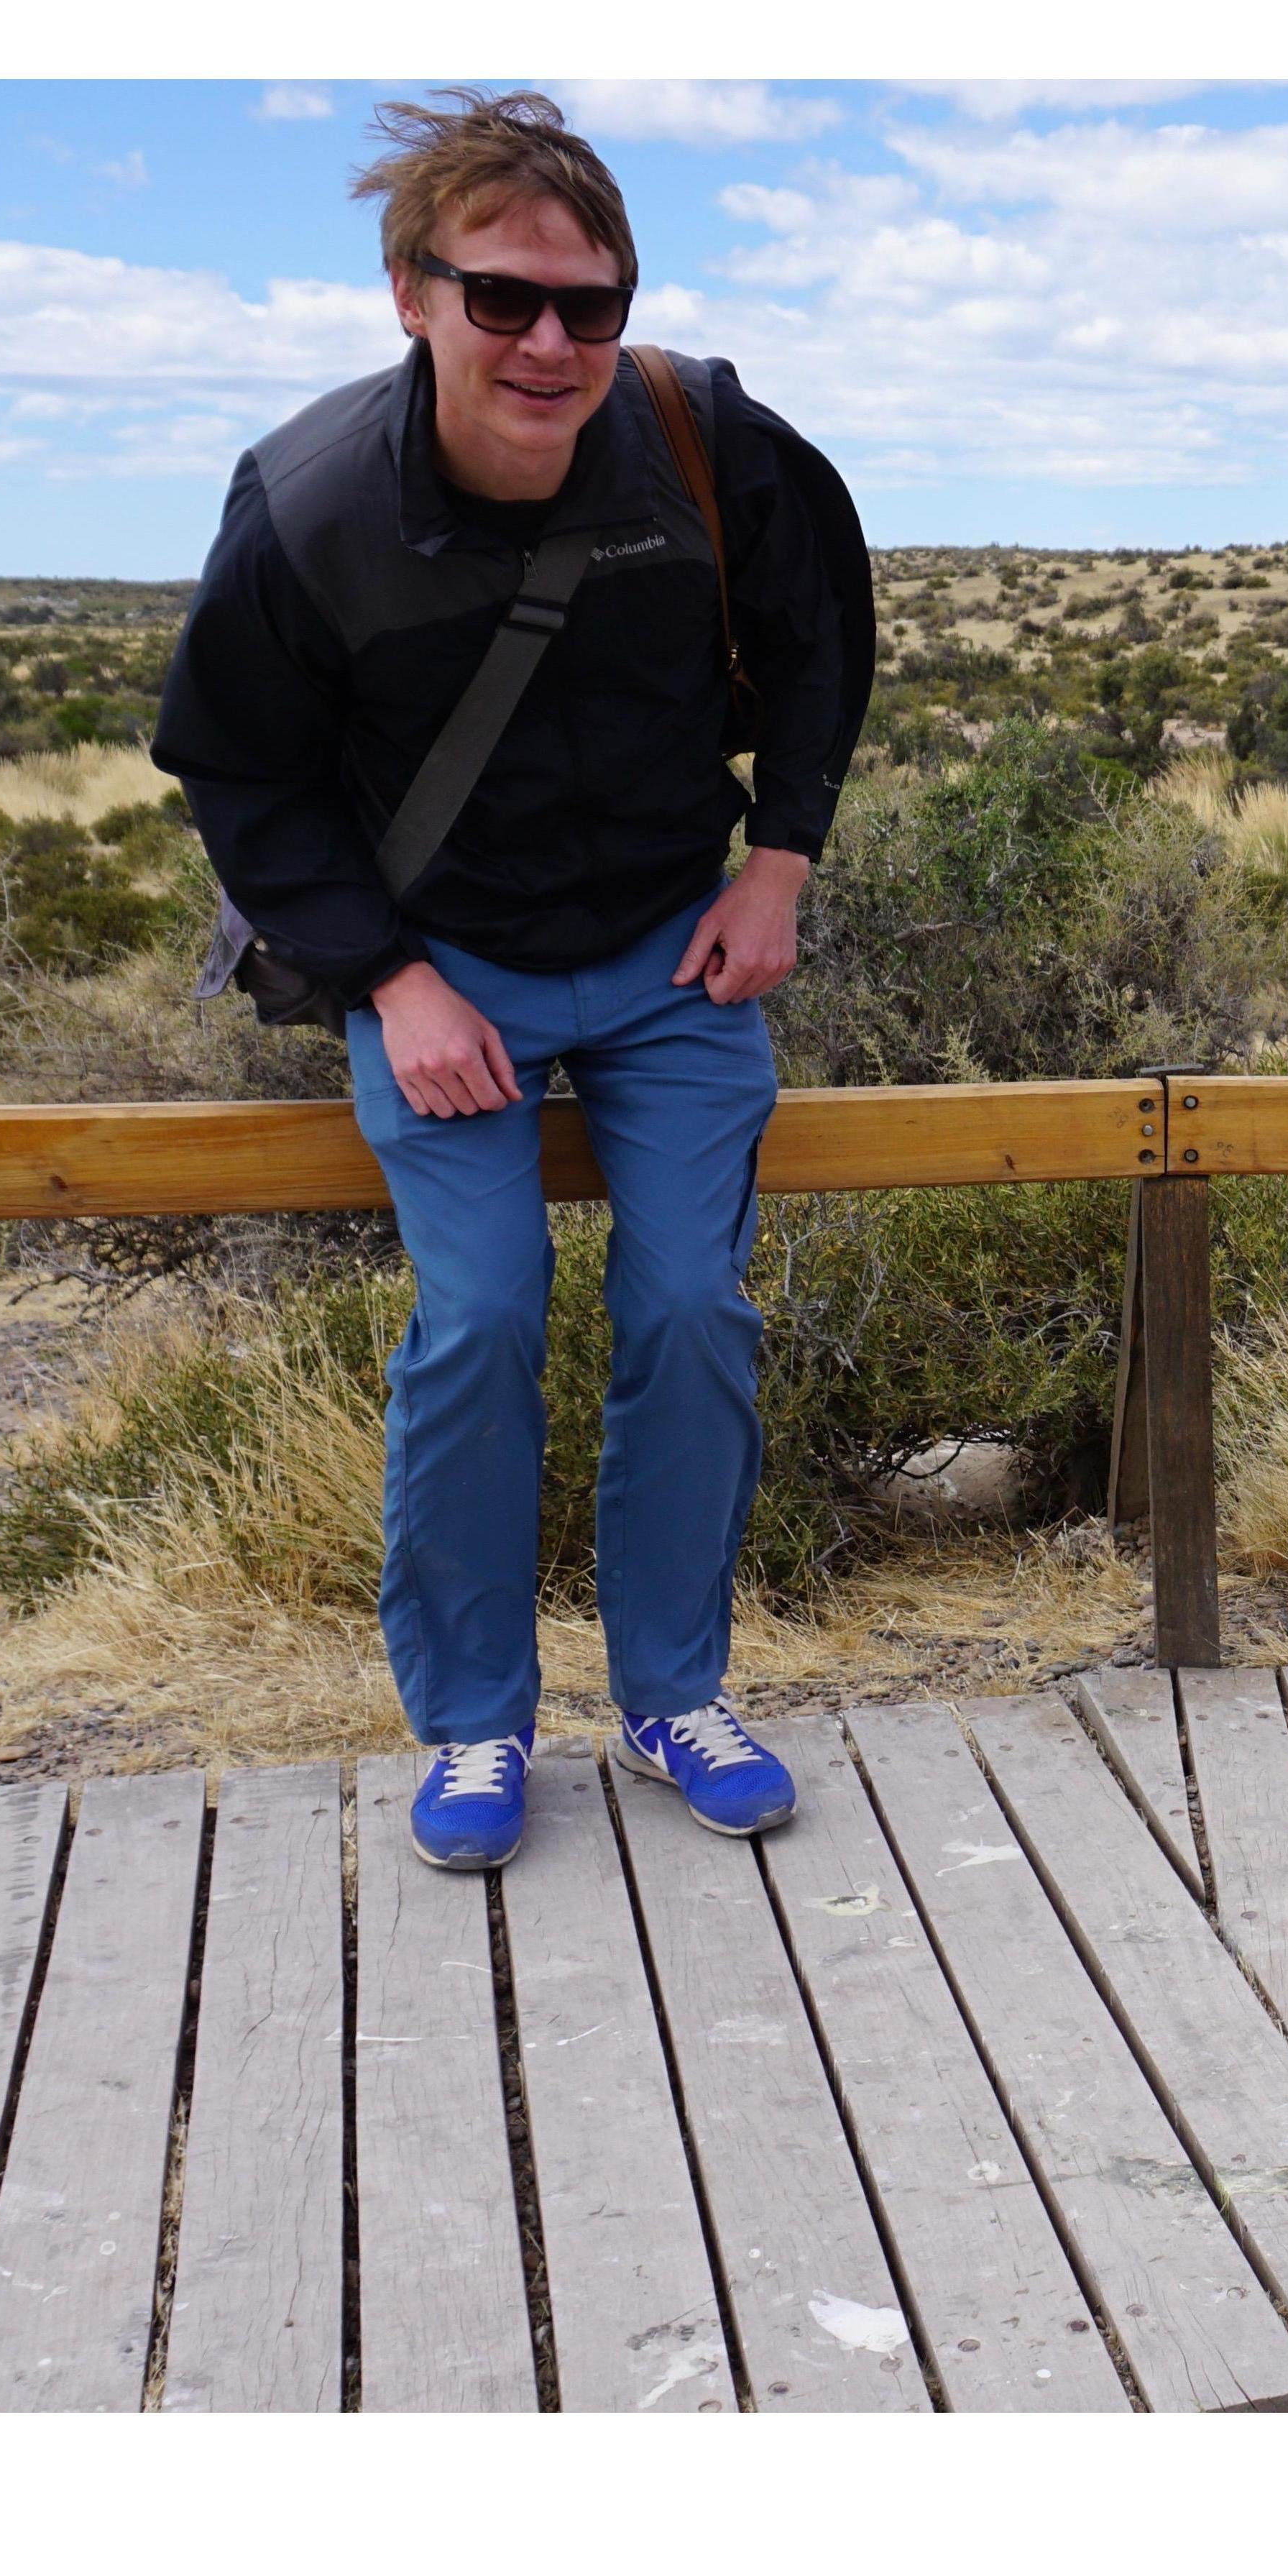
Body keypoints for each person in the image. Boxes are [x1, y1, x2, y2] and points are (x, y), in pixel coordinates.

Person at [155, 91, 875, 1864]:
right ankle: (478, 1725)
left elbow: (822, 638)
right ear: (413, 293)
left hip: (671, 955)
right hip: (444, 965)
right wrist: (392, 981)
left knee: (691, 1312)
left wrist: (780, 862)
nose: (550, 343)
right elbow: (240, 769)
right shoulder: (314, 501)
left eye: (589, 304)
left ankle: (674, 1696)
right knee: (478, 1323)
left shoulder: (706, 438)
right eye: (502, 299)